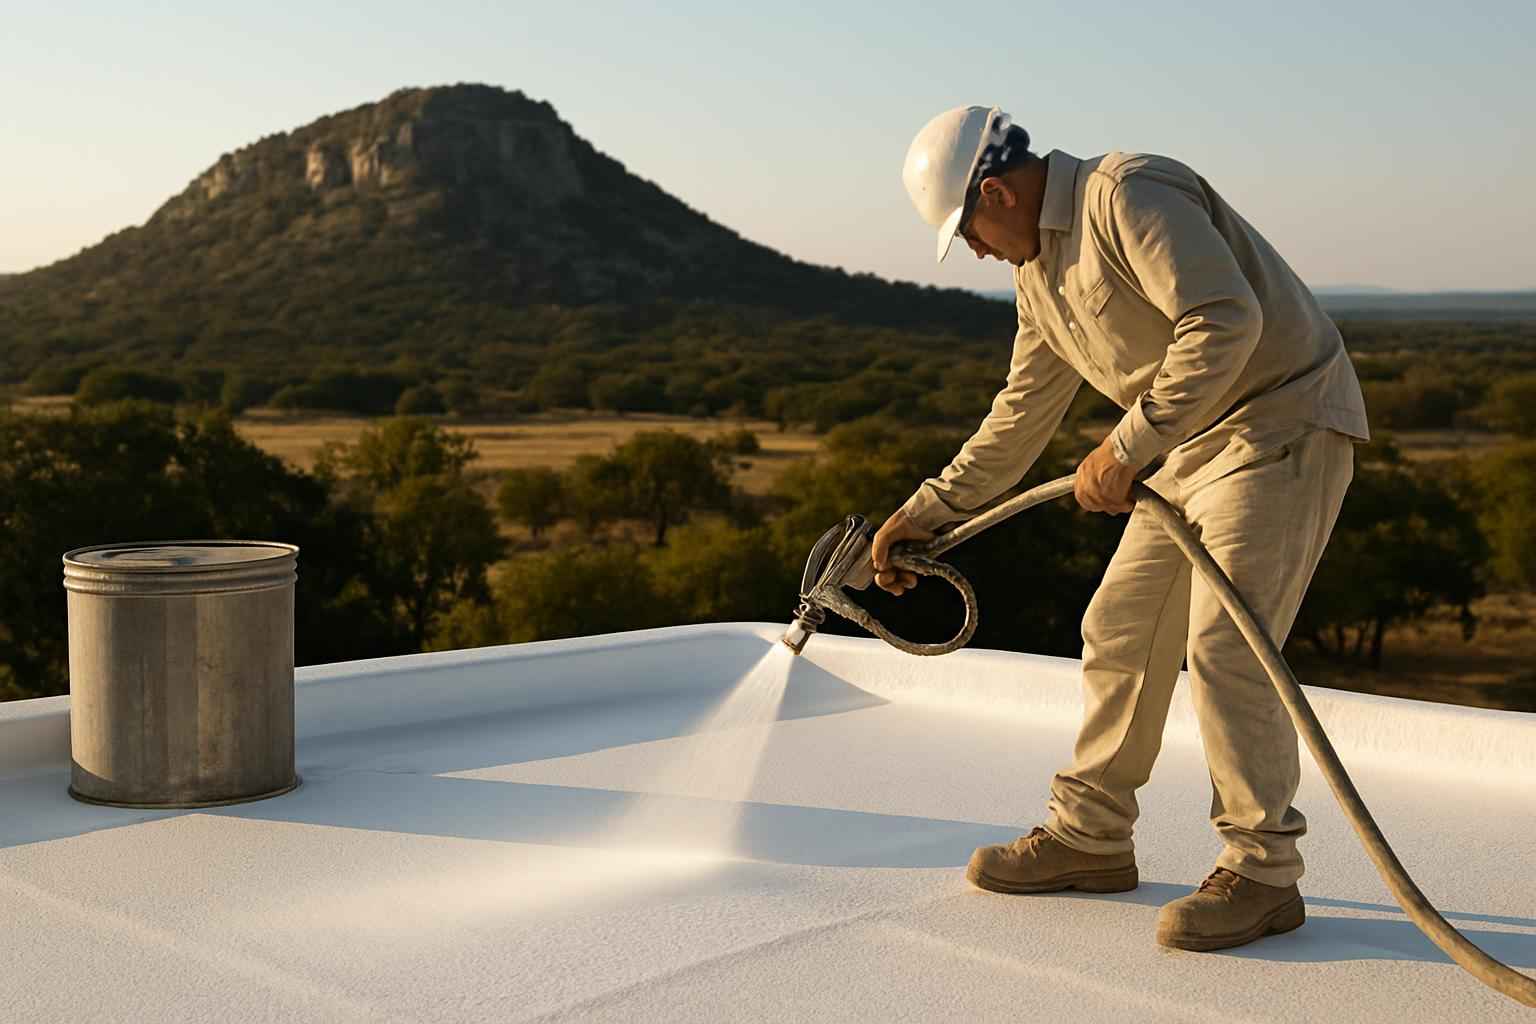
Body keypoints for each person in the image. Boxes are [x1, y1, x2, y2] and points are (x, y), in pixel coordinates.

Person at [874, 106, 1370, 952]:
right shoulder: (1036, 276)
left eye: (971, 234)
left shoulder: (1128, 192)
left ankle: (1262, 875)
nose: (979, 253)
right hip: (1187, 449)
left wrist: (1125, 447)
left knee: (1227, 644)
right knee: (1119, 627)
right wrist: (927, 511)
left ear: (996, 193)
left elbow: (1225, 319)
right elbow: (1019, 417)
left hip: (1279, 426)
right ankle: (1091, 837)